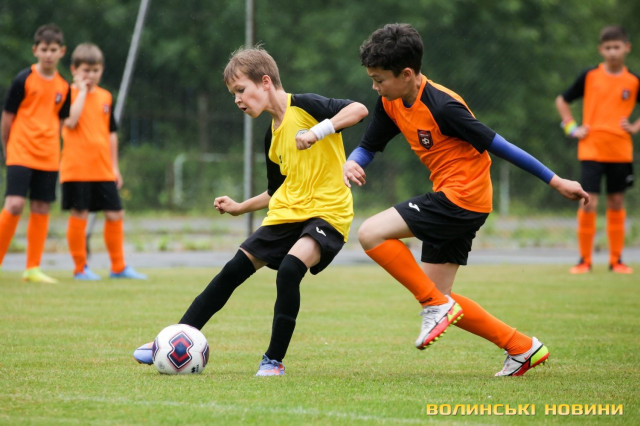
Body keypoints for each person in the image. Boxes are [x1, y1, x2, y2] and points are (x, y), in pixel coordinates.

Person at [343, 23, 589, 376]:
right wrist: (353, 161)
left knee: (370, 233)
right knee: (441, 296)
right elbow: (369, 145)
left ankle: (433, 305)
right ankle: (522, 347)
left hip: (462, 198)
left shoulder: (443, 106)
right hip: (460, 200)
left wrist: (556, 181)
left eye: (379, 79)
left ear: (407, 74)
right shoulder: (391, 101)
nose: (374, 86)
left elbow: (500, 146)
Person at [133, 46, 368, 376]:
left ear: (266, 82)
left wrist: (317, 132)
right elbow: (275, 191)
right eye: (234, 94)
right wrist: (240, 207)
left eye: (241, 90)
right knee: (232, 271)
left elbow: (359, 109)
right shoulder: (272, 137)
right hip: (287, 213)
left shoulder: (305, 106)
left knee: (290, 269)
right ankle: (171, 339)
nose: (238, 100)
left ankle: (273, 361)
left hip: (328, 213)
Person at [555, 25, 639, 275]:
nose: (613, 52)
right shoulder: (590, 76)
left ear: (626, 48)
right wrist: (572, 128)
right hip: (591, 149)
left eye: (617, 47)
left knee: (616, 201)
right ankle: (584, 260)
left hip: (620, 151)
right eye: (608, 47)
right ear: (601, 49)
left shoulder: (633, 81)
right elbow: (562, 100)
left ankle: (616, 261)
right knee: (588, 202)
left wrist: (635, 126)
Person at [60, 43, 147, 280]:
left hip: (102, 168)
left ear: (102, 70)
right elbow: (70, 122)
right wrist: (82, 92)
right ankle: (80, 268)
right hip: (76, 168)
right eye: (85, 70)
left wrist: (114, 167)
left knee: (116, 214)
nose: (91, 75)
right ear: (74, 70)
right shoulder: (68, 94)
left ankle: (118, 267)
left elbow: (111, 134)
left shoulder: (106, 96)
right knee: (80, 214)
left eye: (95, 70)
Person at [0, 23, 70, 283]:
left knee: (41, 206)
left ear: (62, 51)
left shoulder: (64, 86)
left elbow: (61, 121)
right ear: (35, 50)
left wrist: (55, 147)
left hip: (48, 155)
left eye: (53, 49)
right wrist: (7, 148)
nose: (48, 54)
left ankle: (32, 268)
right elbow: (7, 117)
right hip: (20, 151)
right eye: (44, 49)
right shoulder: (23, 79)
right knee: (15, 204)